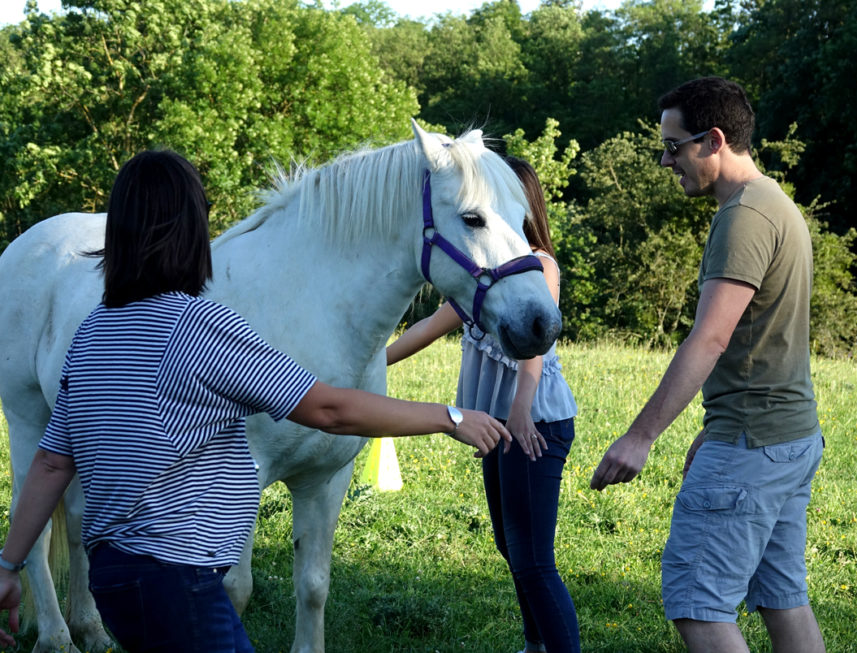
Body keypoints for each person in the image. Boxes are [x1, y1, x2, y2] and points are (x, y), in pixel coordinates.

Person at [0, 150, 514, 652]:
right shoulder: (202, 327)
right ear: (193, 233)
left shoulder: (94, 331)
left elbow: (49, 463)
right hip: (180, 582)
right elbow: (327, 409)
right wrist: (448, 417)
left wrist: (7, 565)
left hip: (114, 579)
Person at [591, 77, 825, 653]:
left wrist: (640, 437)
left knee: (700, 605)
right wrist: (713, 425)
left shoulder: (744, 217)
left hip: (752, 448)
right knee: (781, 596)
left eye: (674, 147)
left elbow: (711, 338)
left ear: (714, 140)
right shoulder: (776, 203)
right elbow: (757, 340)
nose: (667, 161)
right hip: (786, 437)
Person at [387, 156, 580, 653]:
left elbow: (536, 347)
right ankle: (534, 644)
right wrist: (370, 363)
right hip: (498, 424)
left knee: (535, 561)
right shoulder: (482, 279)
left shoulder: (538, 266)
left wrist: (519, 411)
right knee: (512, 549)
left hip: (534, 420)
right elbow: (426, 330)